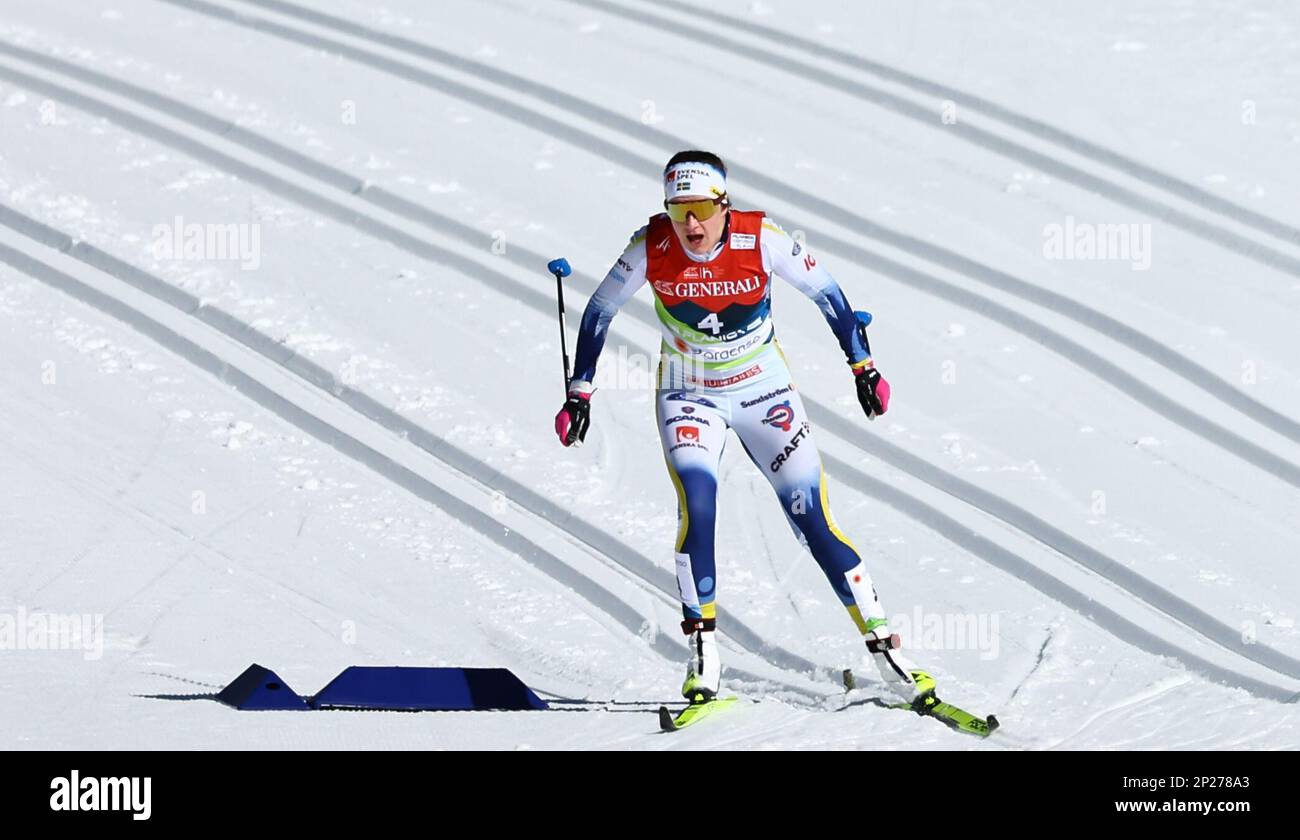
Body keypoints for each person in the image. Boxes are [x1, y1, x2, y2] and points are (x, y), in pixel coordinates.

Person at [554, 150, 931, 705]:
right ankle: (703, 657)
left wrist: (863, 368)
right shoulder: (651, 246)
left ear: (724, 204)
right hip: (689, 392)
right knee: (698, 506)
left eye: (703, 207)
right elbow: (599, 309)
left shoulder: (762, 238)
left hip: (763, 389)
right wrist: (579, 391)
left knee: (812, 519)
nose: (692, 224)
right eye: (679, 208)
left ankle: (887, 649)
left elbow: (828, 294)